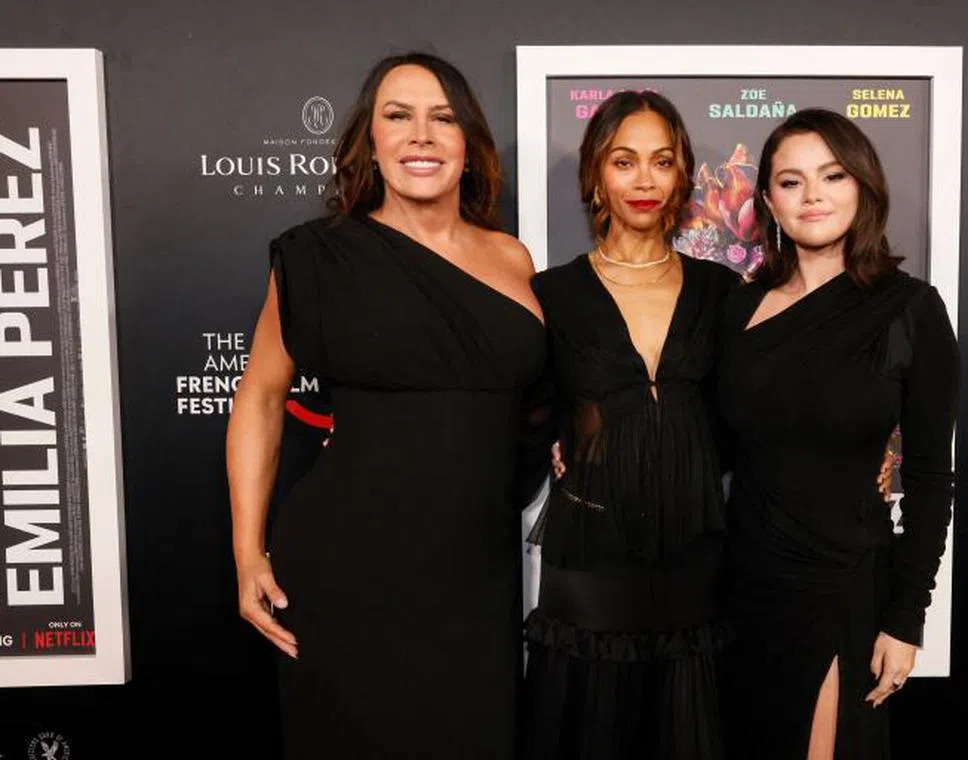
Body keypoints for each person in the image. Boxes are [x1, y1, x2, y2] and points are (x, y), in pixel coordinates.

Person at [225, 52, 546, 759]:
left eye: (443, 118)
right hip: (349, 564)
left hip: (476, 574)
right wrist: (247, 553)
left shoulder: (513, 259)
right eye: (398, 116)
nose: (421, 135)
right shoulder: (318, 257)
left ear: (469, 144)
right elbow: (261, 396)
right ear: (370, 142)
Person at [716, 108, 959, 760]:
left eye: (832, 175)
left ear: (863, 185)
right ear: (768, 200)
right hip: (742, 583)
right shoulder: (737, 307)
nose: (813, 196)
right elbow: (706, 435)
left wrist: (906, 619)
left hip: (840, 581)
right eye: (791, 181)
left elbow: (930, 480)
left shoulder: (910, 310)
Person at [521, 89, 736, 760]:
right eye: (624, 161)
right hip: (591, 554)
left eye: (661, 161)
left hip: (693, 555)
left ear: (681, 175)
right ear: (597, 174)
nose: (644, 179)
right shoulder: (551, 294)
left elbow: (760, 410)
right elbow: (516, 408)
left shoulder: (722, 292)